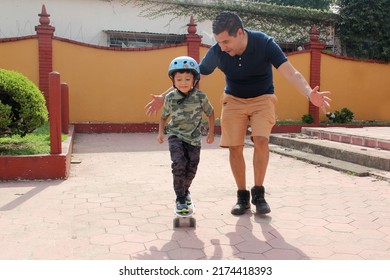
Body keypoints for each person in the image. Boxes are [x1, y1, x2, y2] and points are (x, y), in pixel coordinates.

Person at [147, 11, 331, 216]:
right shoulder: (218, 52)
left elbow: (290, 72)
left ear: (240, 33)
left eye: (226, 41)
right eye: (219, 42)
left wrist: (308, 93)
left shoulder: (264, 43)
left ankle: (259, 194)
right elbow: (191, 76)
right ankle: (242, 196)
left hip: (263, 97)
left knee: (261, 140)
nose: (223, 47)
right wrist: (165, 96)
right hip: (233, 98)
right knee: (235, 147)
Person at [157, 56, 215, 214]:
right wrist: (161, 132)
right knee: (179, 163)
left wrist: (211, 133)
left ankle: (185, 190)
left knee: (192, 168)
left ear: (195, 80)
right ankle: (180, 197)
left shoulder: (200, 97)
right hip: (176, 135)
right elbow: (163, 116)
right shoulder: (170, 98)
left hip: (194, 138)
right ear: (173, 80)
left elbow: (211, 113)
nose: (183, 82)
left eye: (187, 79)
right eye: (179, 79)